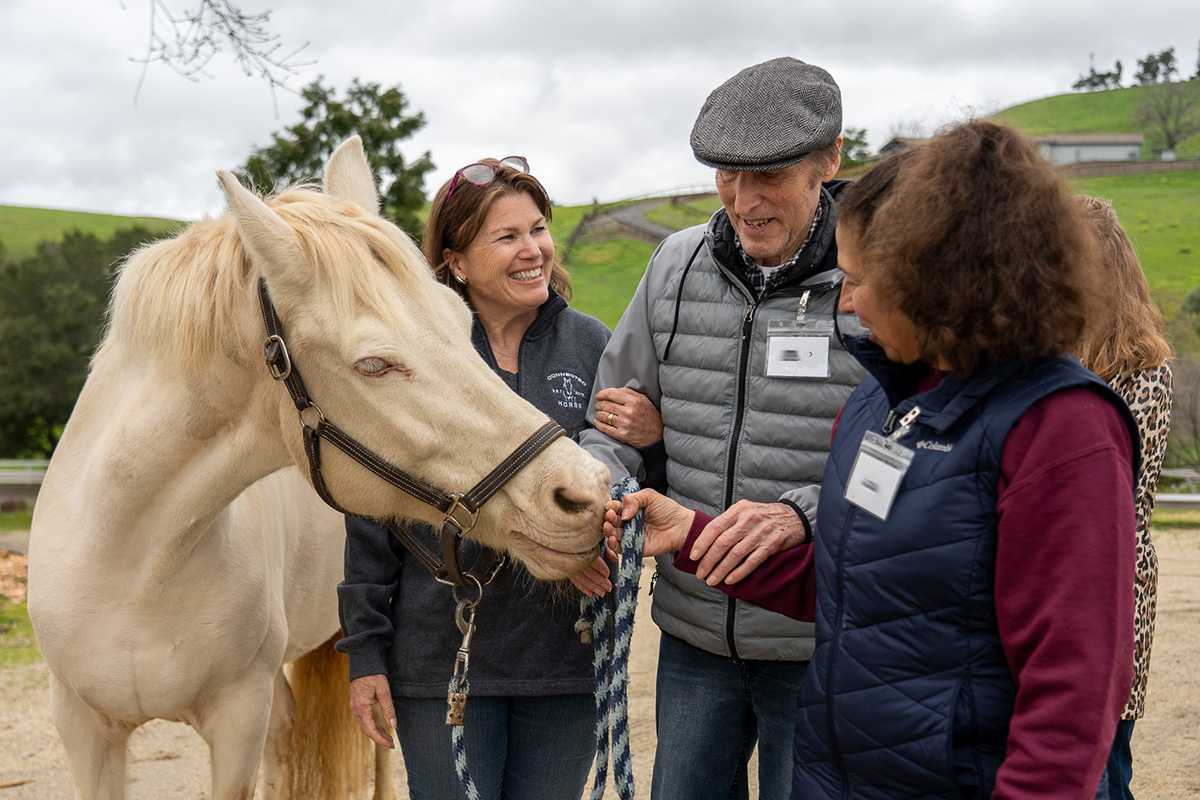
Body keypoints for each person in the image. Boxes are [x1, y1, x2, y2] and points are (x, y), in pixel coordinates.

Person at [605, 121, 1140, 798]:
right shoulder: (878, 405)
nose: (848, 302)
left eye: (860, 278)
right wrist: (692, 532)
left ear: (941, 277)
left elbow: (1072, 689)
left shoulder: (1061, 427)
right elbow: (852, 585)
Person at [580, 57, 866, 799]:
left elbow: (909, 444)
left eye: (768, 175)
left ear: (830, 158)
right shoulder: (674, 264)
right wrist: (608, 486)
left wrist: (804, 513)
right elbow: (612, 413)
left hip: (821, 641)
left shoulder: (876, 278)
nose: (744, 200)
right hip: (694, 633)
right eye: (726, 175)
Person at [335, 156, 613, 800]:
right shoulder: (424, 354)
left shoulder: (592, 346)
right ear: (456, 261)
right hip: (442, 655)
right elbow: (371, 512)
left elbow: (619, 476)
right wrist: (366, 654)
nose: (533, 250)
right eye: (507, 237)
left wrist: (643, 443)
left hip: (564, 656)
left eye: (538, 229)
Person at [1073, 196, 1174, 800]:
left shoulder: (1143, 368)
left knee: (1105, 766)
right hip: (1062, 579)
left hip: (1112, 584)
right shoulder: (1049, 353)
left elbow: (1111, 494)